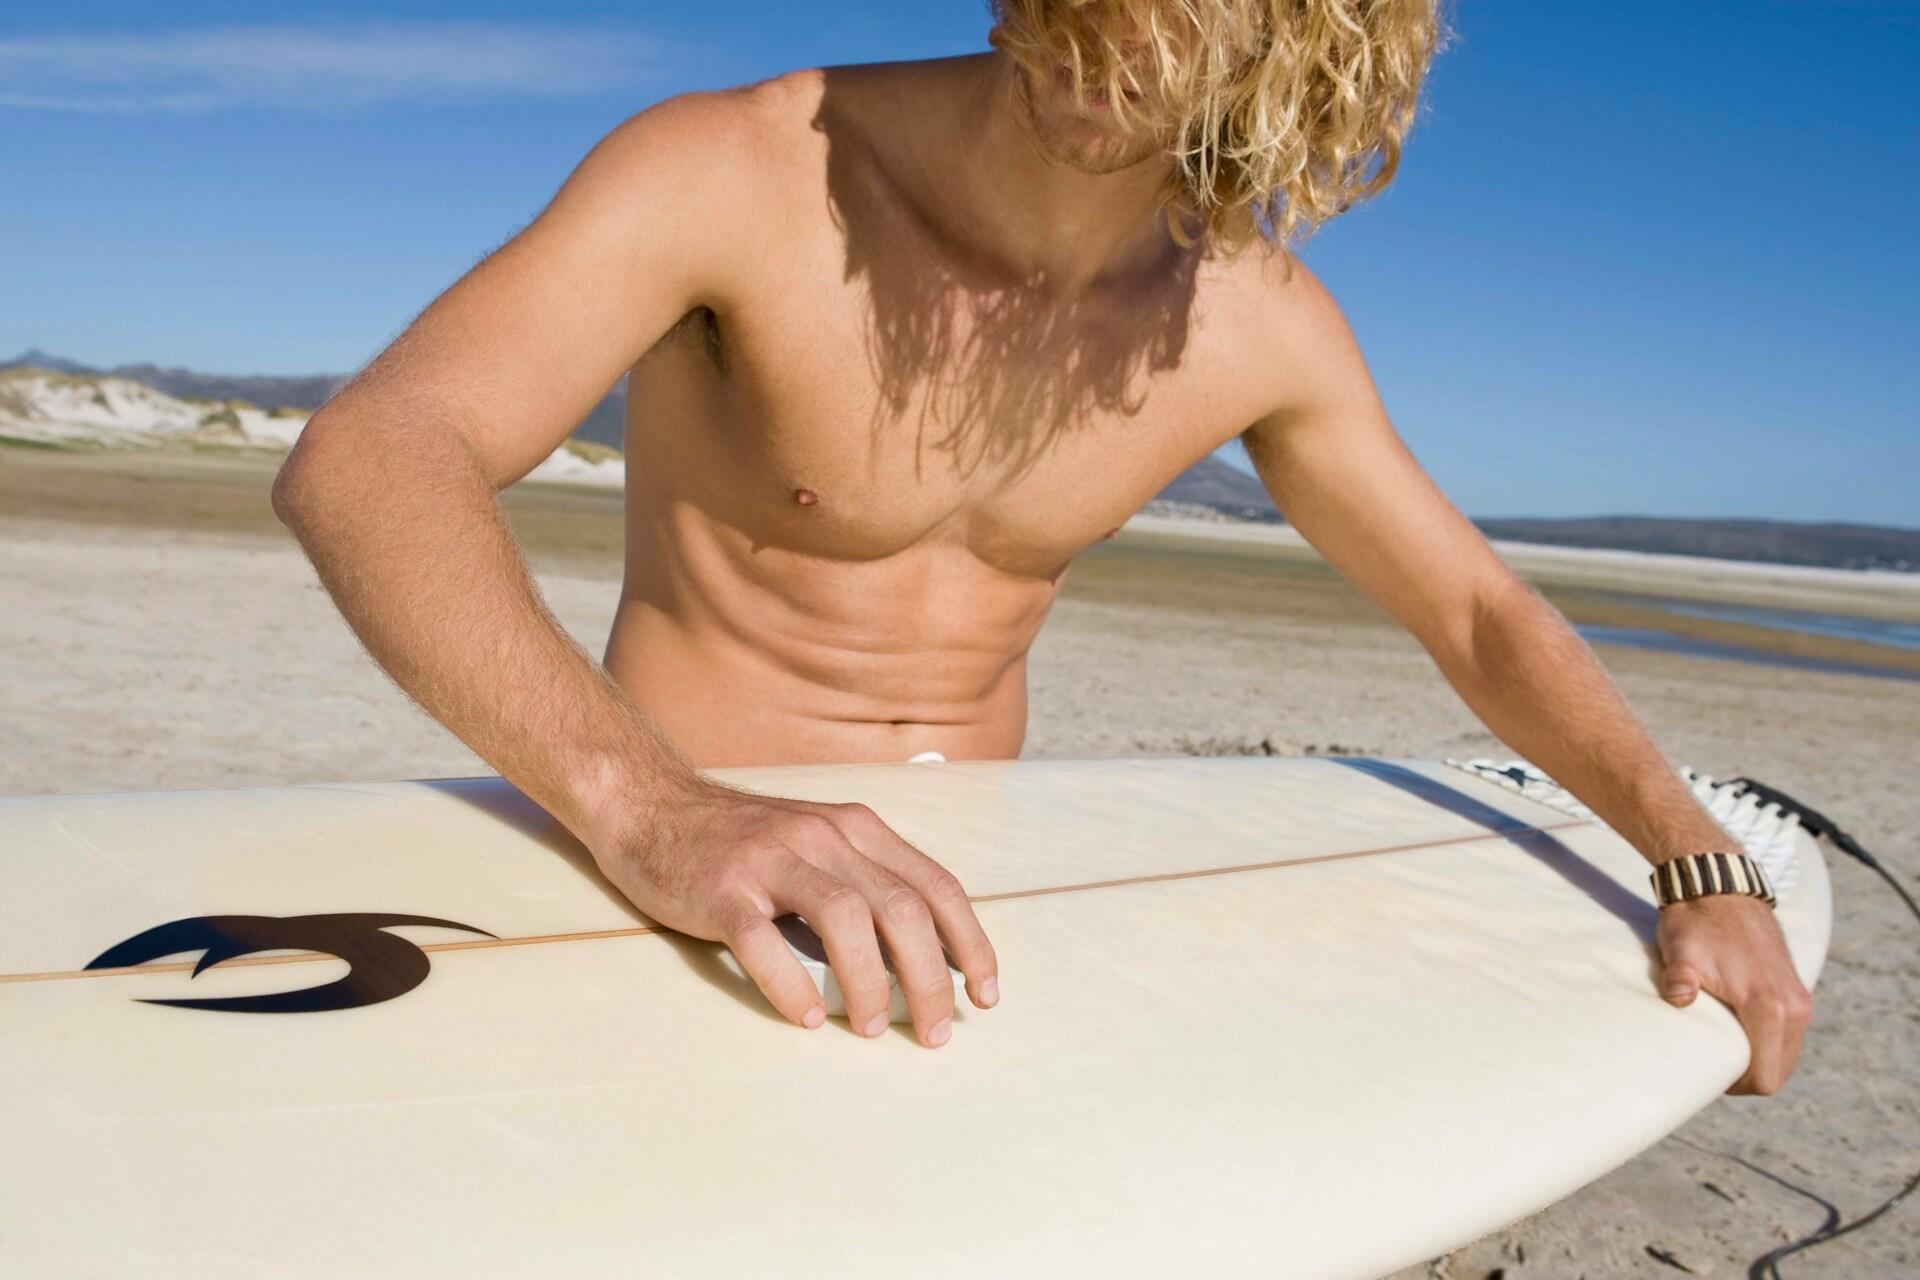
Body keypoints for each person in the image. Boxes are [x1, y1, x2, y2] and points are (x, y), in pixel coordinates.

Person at [273, 0, 1812, 1087]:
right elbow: (376, 454)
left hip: (985, 915)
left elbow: (1475, 611)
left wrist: (1692, 851)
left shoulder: (1245, 316)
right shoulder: (746, 173)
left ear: (1303, 48)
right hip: (678, 889)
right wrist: (654, 808)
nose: (1100, 47)